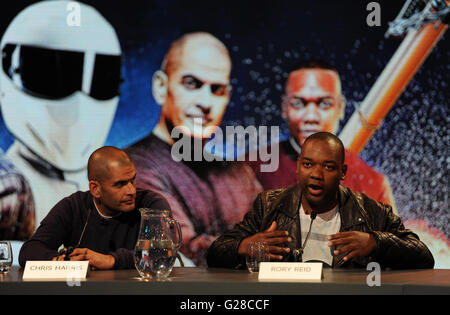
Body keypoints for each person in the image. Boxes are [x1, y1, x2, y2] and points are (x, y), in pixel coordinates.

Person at [126, 32, 262, 266]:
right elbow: (181, 251)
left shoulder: (240, 175)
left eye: (217, 89)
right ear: (161, 86)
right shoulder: (130, 167)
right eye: (191, 84)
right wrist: (249, 248)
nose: (206, 102)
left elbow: (277, 238)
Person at [207, 132, 434, 269]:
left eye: (327, 166)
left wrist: (375, 242)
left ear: (342, 172)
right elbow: (216, 253)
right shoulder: (269, 205)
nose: (316, 174)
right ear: (298, 167)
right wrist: (244, 246)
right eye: (308, 165)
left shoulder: (370, 211)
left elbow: (423, 256)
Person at [0, 1, 122, 227]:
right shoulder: (8, 190)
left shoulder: (112, 196)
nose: (78, 104)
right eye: (46, 74)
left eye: (100, 79)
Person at [249, 60, 396, 209]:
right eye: (299, 103)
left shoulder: (374, 185)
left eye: (324, 104)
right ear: (285, 107)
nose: (311, 117)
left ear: (340, 108)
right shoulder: (247, 171)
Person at [19, 147, 170, 270]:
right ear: (95, 189)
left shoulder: (152, 205)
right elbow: (29, 251)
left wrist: (110, 260)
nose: (131, 191)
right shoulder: (73, 206)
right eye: (120, 184)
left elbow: (161, 254)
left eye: (132, 180)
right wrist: (64, 261)